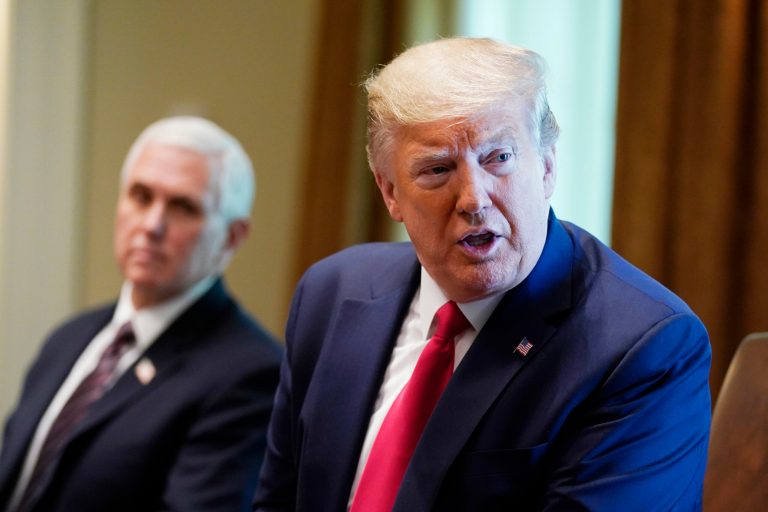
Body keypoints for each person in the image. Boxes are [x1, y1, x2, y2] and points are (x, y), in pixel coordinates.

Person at [253, 38, 712, 511]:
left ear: (548, 167)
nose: (474, 198)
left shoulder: (643, 347)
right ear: (389, 192)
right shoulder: (330, 293)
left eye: (499, 158)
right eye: (437, 169)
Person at [0, 116, 283, 512]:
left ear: (232, 237)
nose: (151, 224)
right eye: (141, 195)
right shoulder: (69, 338)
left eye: (183, 206)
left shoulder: (251, 374)